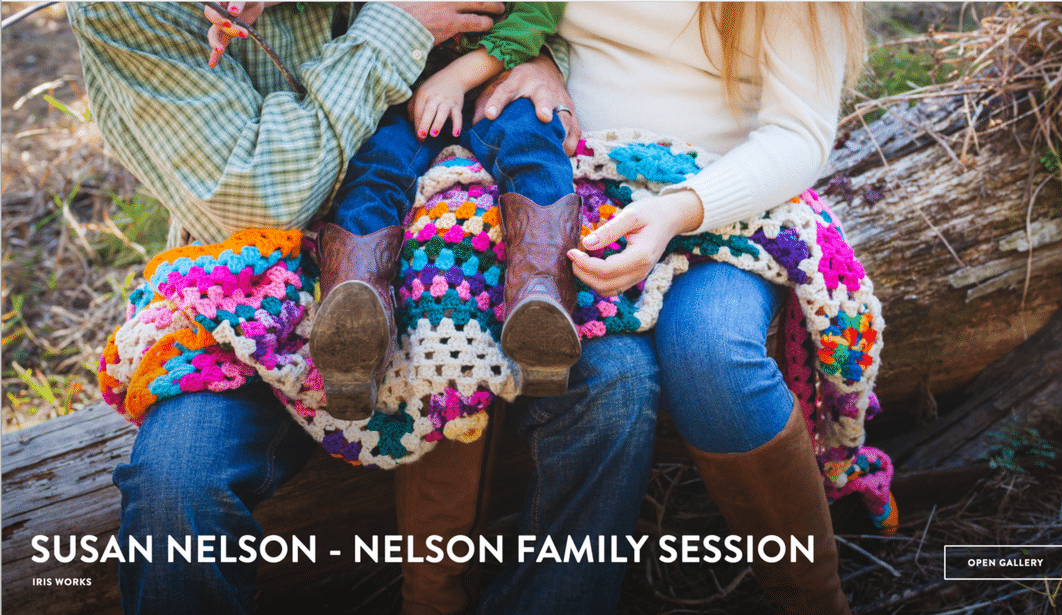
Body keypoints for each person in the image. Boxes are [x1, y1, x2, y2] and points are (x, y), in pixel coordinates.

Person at [71, 3, 658, 615]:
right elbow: (261, 203)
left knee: (618, 381)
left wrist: (527, 58)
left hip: (469, 244)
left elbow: (537, 14)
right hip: (257, 296)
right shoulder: (129, 8)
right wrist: (399, 25)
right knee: (176, 482)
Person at [475, 3, 867, 614]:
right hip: (574, 189)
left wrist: (679, 210)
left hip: (725, 203)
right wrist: (539, 59)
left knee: (711, 352)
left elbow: (800, 134)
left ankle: (815, 602)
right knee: (609, 377)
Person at [312, 2, 582, 421]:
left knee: (533, 147)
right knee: (377, 167)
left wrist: (456, 77)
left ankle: (542, 296)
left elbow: (533, 21)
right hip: (409, 94)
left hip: (499, 82)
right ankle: (353, 314)